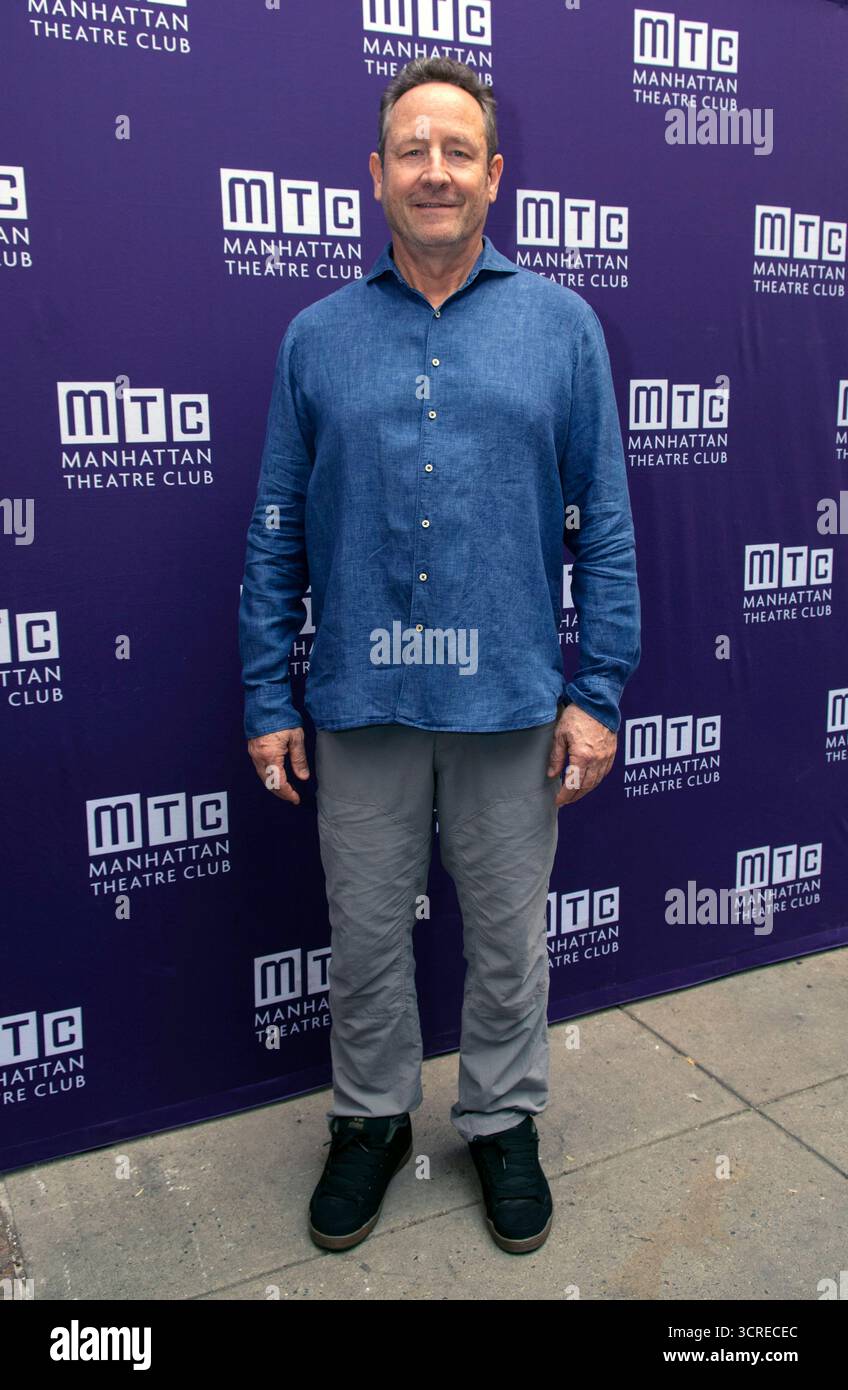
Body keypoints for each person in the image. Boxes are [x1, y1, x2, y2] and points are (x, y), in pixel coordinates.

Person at [238, 57, 641, 1255]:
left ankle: (501, 1120)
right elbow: (275, 530)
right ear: (374, 176)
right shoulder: (316, 338)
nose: (433, 171)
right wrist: (269, 692)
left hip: (511, 701)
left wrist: (597, 688)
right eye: (411, 150)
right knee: (364, 936)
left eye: (456, 152)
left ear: (494, 176)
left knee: (510, 939)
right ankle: (367, 1122)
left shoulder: (562, 328)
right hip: (358, 702)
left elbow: (604, 524)